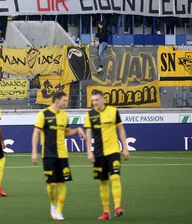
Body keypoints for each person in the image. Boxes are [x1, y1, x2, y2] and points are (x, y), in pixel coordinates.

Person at [31, 91, 84, 221]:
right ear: (57, 100)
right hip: (48, 154)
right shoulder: (43, 114)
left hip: (62, 154)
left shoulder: (65, 116)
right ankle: (53, 206)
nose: (66, 103)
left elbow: (66, 132)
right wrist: (34, 152)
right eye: (64, 100)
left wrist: (77, 130)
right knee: (51, 185)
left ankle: (59, 211)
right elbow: (36, 133)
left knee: (63, 183)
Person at [84, 90, 130, 221]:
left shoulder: (113, 111)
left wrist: (125, 148)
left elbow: (121, 129)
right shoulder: (90, 114)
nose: (95, 103)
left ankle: (117, 207)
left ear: (103, 99)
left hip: (113, 151)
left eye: (97, 100)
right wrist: (89, 151)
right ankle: (106, 212)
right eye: (93, 100)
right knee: (103, 182)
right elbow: (88, 134)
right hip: (98, 154)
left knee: (115, 177)